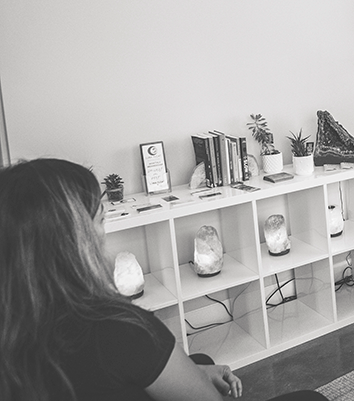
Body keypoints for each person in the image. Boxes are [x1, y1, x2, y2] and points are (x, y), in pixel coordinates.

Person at [0, 158, 327, 401]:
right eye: (100, 219)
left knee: (200, 361)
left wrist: (195, 373)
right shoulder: (119, 328)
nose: (104, 231)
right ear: (74, 241)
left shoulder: (14, 328)